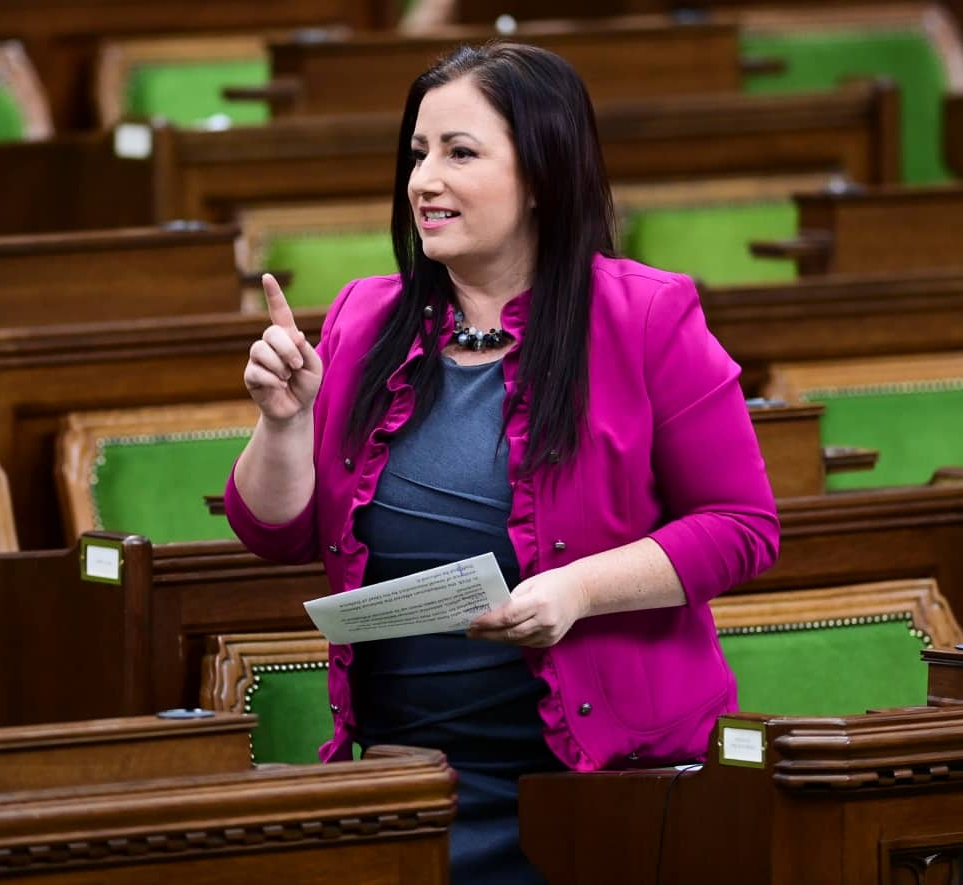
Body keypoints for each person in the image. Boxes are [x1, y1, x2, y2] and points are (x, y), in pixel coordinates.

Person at [224, 42, 780, 884]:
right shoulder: (363, 318)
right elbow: (275, 532)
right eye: (417, 154)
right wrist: (284, 423)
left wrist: (578, 590)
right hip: (410, 782)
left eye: (460, 152)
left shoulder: (647, 317)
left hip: (597, 787)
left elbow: (742, 528)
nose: (424, 181)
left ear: (542, 176)